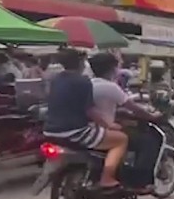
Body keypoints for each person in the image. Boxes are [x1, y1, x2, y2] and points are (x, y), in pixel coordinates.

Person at [43, 49, 129, 189]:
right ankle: (107, 178)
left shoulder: (55, 79)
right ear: (80, 63)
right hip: (74, 131)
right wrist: (110, 125)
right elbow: (90, 111)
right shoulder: (82, 81)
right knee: (121, 139)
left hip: (50, 131)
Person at [88, 53, 163, 188]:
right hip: (102, 131)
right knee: (148, 142)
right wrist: (151, 117)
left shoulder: (89, 84)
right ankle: (140, 181)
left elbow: (101, 107)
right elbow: (134, 108)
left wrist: (120, 112)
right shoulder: (110, 87)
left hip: (92, 128)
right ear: (112, 68)